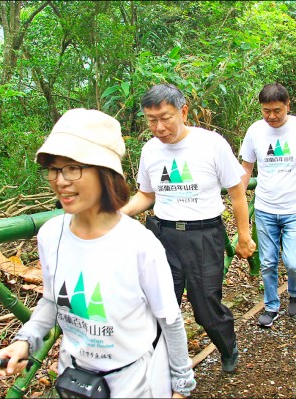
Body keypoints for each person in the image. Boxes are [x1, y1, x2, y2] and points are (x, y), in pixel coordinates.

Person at [0, 108, 196, 398]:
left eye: (73, 168)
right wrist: (25, 341)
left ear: (105, 173)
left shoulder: (139, 243)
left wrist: (182, 384)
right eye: (54, 169)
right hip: (74, 377)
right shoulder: (51, 235)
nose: (60, 181)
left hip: (135, 382)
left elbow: (170, 319)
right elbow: (53, 301)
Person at [120, 84, 256, 373]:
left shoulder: (212, 144)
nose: (159, 127)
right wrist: (120, 212)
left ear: (183, 112)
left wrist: (244, 236)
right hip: (162, 235)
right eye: (151, 120)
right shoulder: (150, 150)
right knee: (157, 303)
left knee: (205, 306)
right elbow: (146, 194)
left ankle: (227, 346)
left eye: (165, 117)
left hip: (204, 236)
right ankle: (163, 365)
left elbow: (237, 192)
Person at [239, 83, 296, 326]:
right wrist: (240, 197)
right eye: (266, 111)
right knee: (268, 261)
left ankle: (295, 292)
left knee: (294, 262)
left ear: (287, 106)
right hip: (265, 207)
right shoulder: (255, 131)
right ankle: (271, 306)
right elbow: (246, 168)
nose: (271, 116)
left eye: (277, 110)